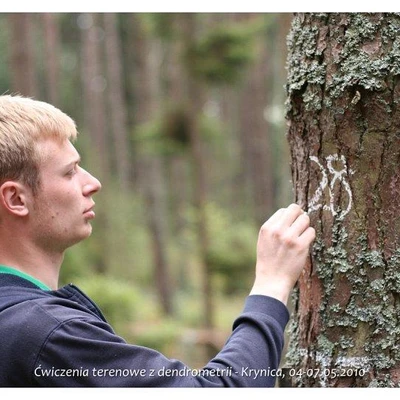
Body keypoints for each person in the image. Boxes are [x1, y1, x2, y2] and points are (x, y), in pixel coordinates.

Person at [0, 94, 315, 387]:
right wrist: (271, 285)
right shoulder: (45, 334)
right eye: (69, 173)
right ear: (16, 198)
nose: (92, 183)